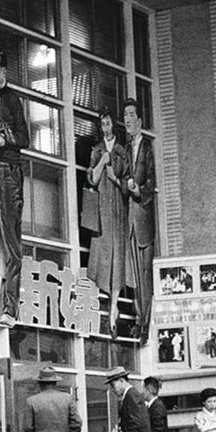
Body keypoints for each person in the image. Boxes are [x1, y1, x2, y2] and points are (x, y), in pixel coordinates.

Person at [0, 41, 29, 327]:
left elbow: (25, 138)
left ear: (3, 69)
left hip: (8, 172)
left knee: (11, 242)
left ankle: (11, 308)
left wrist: (5, 138)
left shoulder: (11, 100)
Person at [86, 108, 131, 333]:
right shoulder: (97, 151)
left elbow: (126, 181)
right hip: (102, 209)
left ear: (114, 125)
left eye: (109, 123)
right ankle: (104, 305)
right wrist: (103, 162)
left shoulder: (123, 151)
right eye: (102, 123)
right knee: (103, 256)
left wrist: (115, 176)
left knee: (117, 259)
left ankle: (114, 307)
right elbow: (92, 179)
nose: (106, 127)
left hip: (118, 210)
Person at [120, 100, 156, 342]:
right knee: (133, 275)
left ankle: (145, 325)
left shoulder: (148, 148)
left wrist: (138, 190)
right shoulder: (124, 149)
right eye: (125, 115)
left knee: (145, 275)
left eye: (132, 114)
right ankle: (138, 320)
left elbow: (152, 183)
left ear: (140, 121)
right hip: (129, 219)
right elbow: (121, 179)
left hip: (143, 217)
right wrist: (126, 187)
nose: (128, 119)